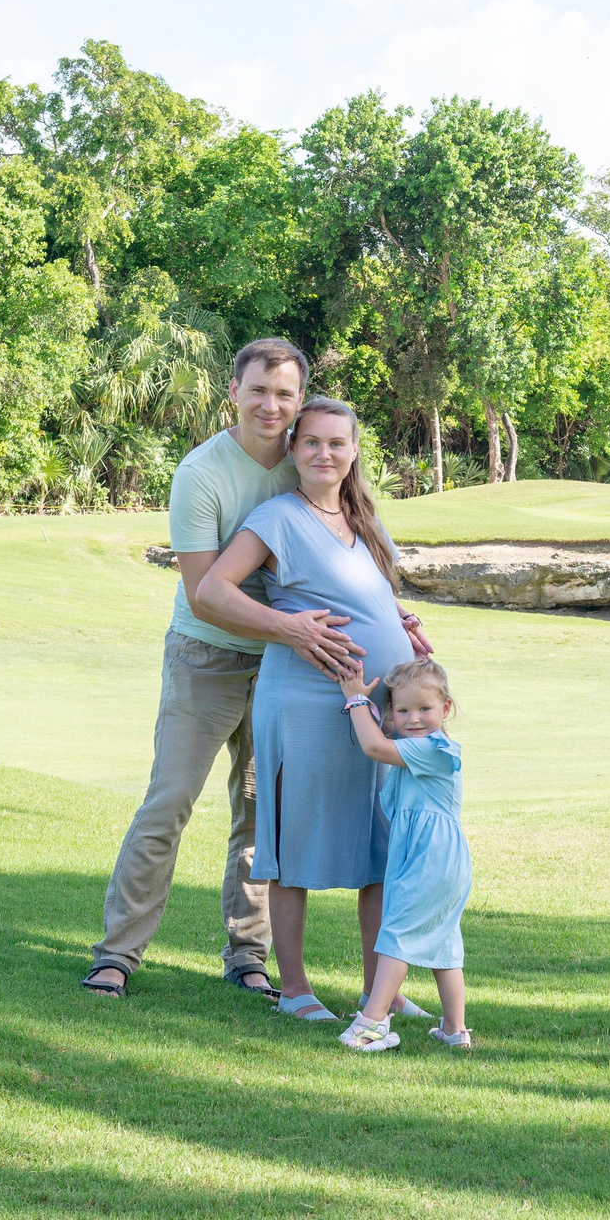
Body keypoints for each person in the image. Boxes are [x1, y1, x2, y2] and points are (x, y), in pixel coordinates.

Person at [83, 338, 345, 1002]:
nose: (271, 405)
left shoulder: (303, 462)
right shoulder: (202, 472)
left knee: (260, 817)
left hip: (283, 668)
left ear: (299, 400)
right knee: (168, 803)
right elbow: (205, 592)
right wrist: (291, 628)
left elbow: (342, 547)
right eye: (259, 390)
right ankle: (117, 954)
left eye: (285, 394)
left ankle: (247, 953)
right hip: (204, 656)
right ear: (233, 391)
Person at [193, 397, 432, 1022]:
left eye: (338, 443)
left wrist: (402, 626)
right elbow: (211, 588)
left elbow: (373, 598)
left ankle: (380, 987)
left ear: (354, 452)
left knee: (381, 845)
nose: (325, 453)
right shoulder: (276, 518)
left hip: (376, 704)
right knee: (292, 845)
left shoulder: (368, 522)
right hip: (303, 701)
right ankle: (295, 989)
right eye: (312, 442)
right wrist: (289, 627)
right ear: (295, 450)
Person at [334, 657, 472, 1054]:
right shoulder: (417, 746)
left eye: (424, 709)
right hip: (433, 856)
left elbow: (375, 746)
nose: (413, 719)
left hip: (431, 857)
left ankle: (371, 1023)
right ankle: (454, 1029)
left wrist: (356, 700)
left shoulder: (433, 748)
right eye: (402, 710)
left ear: (445, 709)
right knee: (444, 942)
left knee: (396, 933)